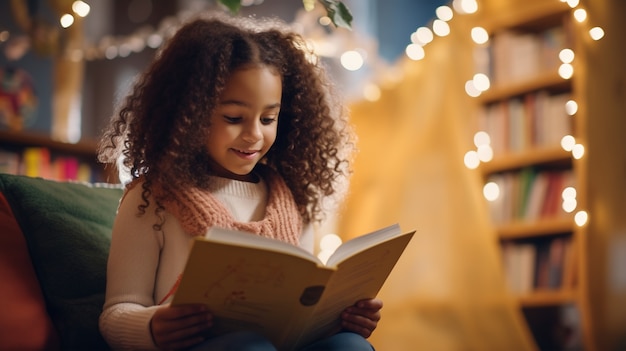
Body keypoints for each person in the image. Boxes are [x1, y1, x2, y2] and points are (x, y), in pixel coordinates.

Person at [97, 13, 382, 351]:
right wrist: (152, 327)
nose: (253, 135)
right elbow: (115, 313)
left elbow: (295, 317)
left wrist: (338, 318)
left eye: (268, 119)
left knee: (351, 346)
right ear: (189, 113)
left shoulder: (292, 202)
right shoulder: (152, 198)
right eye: (234, 118)